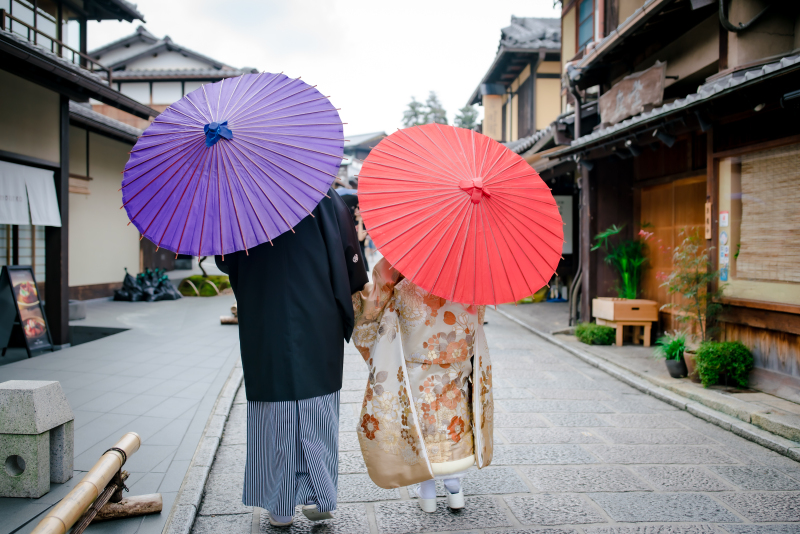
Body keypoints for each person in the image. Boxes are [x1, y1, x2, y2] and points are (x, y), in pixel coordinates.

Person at [215, 188, 368, 527]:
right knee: (318, 405)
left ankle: (279, 506)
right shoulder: (323, 196)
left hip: (266, 316)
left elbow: (225, 259)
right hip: (318, 313)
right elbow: (351, 257)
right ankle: (319, 495)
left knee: (274, 408)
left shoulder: (243, 196)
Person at [350, 258, 494, 512]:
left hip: (416, 361)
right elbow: (477, 317)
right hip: (455, 362)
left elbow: (376, 299)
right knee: (453, 416)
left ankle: (427, 490)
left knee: (422, 420)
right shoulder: (471, 260)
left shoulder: (406, 256)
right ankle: (454, 487)